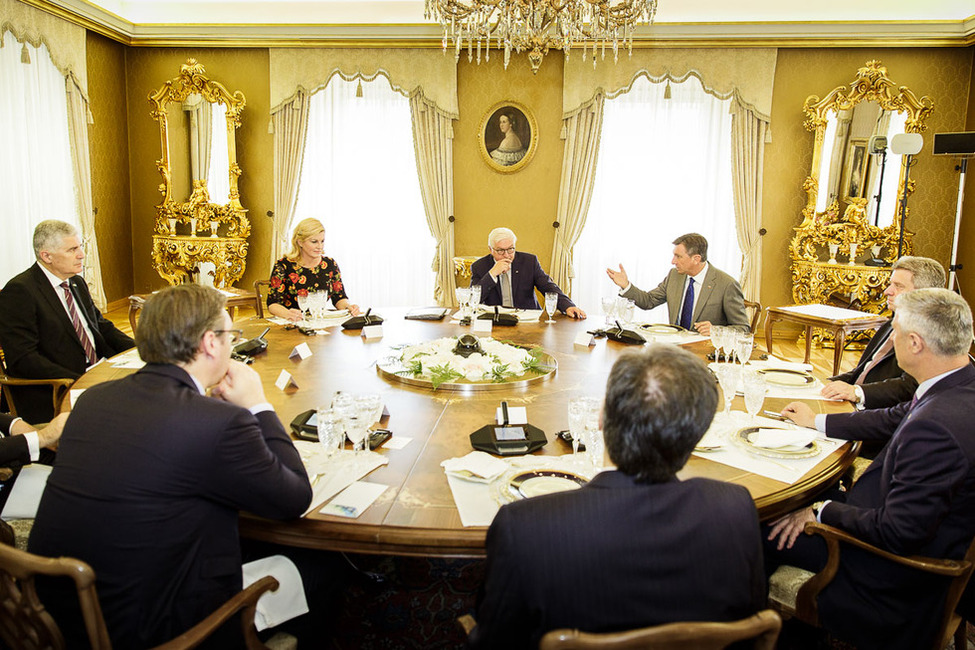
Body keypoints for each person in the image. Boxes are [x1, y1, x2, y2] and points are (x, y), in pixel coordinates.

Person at [28, 284, 314, 647]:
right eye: (230, 336)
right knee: (318, 568)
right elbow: (294, 498)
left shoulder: (92, 401)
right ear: (211, 343)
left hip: (56, 614)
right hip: (146, 631)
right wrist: (257, 405)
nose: (231, 345)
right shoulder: (219, 422)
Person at [468, 345, 765, 649]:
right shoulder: (735, 509)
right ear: (697, 434)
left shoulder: (525, 527)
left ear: (600, 418)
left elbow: (492, 641)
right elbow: (748, 619)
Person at [769, 288, 975, 650]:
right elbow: (894, 417)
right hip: (906, 520)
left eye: (894, 329)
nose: (890, 336)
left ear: (914, 343)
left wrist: (821, 512)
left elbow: (899, 532)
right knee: (803, 490)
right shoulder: (960, 379)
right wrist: (816, 422)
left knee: (760, 524)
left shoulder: (937, 427)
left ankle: (772, 633)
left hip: (890, 574)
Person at [0, 220, 134, 423]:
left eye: (80, 247)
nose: (81, 254)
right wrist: (79, 380)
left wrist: (141, 350)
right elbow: (23, 359)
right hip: (55, 388)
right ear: (47, 256)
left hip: (98, 372)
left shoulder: (76, 282)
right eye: (72, 249)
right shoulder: (20, 291)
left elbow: (101, 327)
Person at [820, 255, 945, 409]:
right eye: (890, 284)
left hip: (880, 415)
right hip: (854, 404)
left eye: (898, 286)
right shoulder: (890, 325)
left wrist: (856, 392)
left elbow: (909, 387)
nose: (887, 291)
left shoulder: (932, 335)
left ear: (924, 293)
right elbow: (863, 372)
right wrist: (823, 385)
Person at [606, 233, 749, 335]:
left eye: (678, 256)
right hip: (674, 349)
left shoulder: (726, 284)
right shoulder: (674, 276)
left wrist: (716, 330)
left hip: (705, 352)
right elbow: (648, 301)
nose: (673, 261)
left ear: (696, 258)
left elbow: (743, 328)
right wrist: (626, 285)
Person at [469, 227, 586, 319]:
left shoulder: (529, 262)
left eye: (510, 249)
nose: (506, 255)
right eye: (500, 250)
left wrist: (568, 306)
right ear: (491, 249)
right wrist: (492, 274)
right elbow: (473, 299)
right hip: (496, 320)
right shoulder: (479, 266)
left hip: (527, 319)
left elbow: (548, 286)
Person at [267, 217, 361, 322]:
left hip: (320, 323)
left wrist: (348, 307)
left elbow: (339, 298)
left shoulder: (330, 265)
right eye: (314, 241)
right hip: (291, 324)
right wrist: (287, 314)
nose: (320, 246)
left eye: (322, 241)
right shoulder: (283, 266)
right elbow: (273, 304)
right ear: (300, 242)